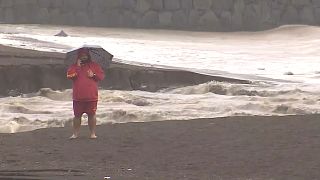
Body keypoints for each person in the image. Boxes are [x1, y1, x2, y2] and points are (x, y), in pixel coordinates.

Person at [67, 48, 105, 139]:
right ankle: (75, 134)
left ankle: (92, 133)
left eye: (85, 55)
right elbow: (69, 76)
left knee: (92, 115)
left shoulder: (95, 66)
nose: (84, 57)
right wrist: (77, 67)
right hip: (78, 96)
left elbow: (101, 77)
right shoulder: (73, 66)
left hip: (91, 96)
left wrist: (93, 75)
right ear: (78, 56)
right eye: (82, 55)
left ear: (88, 56)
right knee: (77, 116)